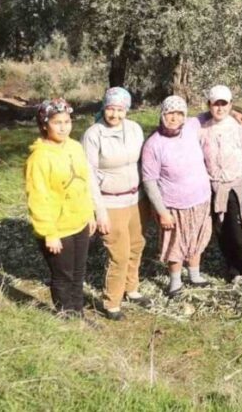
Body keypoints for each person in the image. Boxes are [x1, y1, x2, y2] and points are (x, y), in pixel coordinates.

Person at [26, 98, 107, 321]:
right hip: (57, 229)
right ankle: (66, 317)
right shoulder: (39, 158)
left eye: (67, 121)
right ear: (44, 124)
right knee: (63, 275)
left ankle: (77, 313)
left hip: (79, 222)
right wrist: (49, 234)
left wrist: (89, 213)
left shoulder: (74, 147)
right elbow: (38, 198)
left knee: (79, 273)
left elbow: (83, 183)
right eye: (57, 122)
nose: (63, 127)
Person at [82, 87, 148, 321]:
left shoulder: (134, 129)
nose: (115, 115)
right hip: (110, 201)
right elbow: (87, 174)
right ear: (104, 108)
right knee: (118, 253)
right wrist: (99, 211)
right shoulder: (93, 134)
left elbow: (143, 163)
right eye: (111, 108)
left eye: (120, 110)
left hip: (136, 198)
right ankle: (112, 301)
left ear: (126, 110)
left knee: (137, 245)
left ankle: (131, 288)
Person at [140, 96, 214, 298]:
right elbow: (149, 181)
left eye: (179, 114)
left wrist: (238, 114)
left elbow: (214, 111)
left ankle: (195, 275)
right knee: (175, 244)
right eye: (170, 113)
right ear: (162, 115)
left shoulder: (191, 126)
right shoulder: (154, 145)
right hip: (173, 205)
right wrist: (162, 212)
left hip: (200, 199)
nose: (174, 118)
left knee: (196, 239)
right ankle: (175, 283)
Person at [198, 85, 242, 282]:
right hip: (213, 188)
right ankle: (232, 268)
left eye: (224, 104)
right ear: (209, 105)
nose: (219, 108)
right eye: (215, 104)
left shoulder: (241, 128)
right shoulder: (203, 130)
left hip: (236, 187)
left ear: (230, 104)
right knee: (221, 231)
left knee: (239, 231)